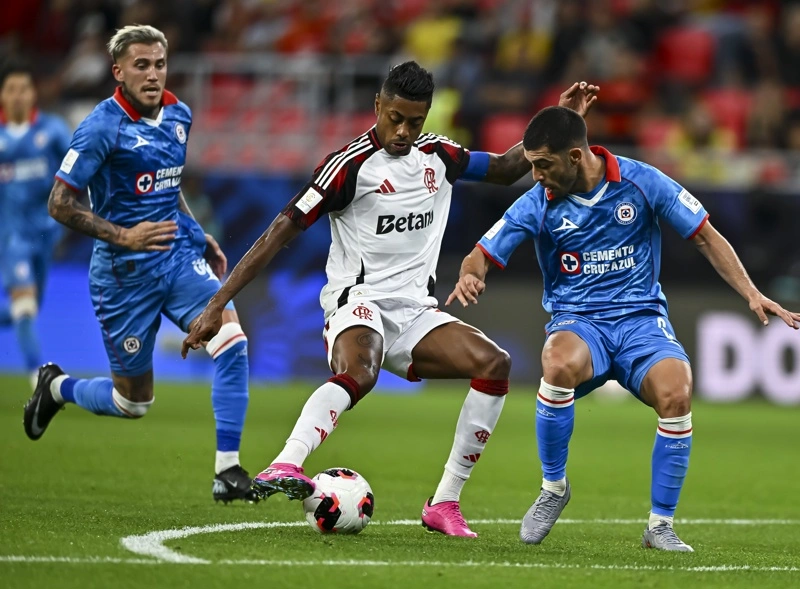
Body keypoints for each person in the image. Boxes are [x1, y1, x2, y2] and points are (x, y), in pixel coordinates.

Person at [183, 61, 598, 537]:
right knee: (362, 371)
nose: (403, 131)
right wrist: (217, 304)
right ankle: (286, 462)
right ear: (377, 105)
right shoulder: (348, 166)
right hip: (356, 300)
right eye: (395, 118)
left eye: (414, 122)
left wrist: (559, 123)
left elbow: (506, 169)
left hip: (415, 311)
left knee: (495, 364)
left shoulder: (439, 155)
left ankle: (444, 502)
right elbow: (279, 232)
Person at [447, 105, 800, 551]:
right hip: (579, 321)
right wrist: (471, 274)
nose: (535, 175)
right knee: (557, 363)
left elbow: (705, 235)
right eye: (532, 165)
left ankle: (660, 525)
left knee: (677, 391)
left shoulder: (642, 181)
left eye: (543, 164)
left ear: (575, 156)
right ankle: (554, 488)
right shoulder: (538, 201)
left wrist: (750, 292)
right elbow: (481, 252)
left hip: (641, 322)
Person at [21, 25, 258, 504]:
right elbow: (59, 203)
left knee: (232, 341)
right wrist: (124, 235)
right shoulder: (100, 128)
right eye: (141, 65)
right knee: (132, 402)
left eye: (159, 64)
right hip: (122, 276)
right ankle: (57, 388)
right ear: (118, 72)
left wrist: (198, 233)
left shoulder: (179, 114)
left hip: (177, 257)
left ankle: (228, 471)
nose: (152, 74)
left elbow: (169, 184)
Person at [0, 61, 72, 389]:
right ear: (3, 95)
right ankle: (38, 377)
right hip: (10, 237)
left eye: (23, 89)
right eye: (11, 89)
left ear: (33, 94)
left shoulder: (53, 131)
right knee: (25, 303)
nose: (17, 95)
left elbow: (77, 170)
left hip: (45, 234)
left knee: (26, 310)